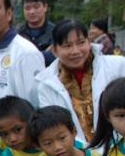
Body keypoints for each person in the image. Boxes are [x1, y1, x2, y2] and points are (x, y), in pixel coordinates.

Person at [37, 19, 125, 147]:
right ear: (54, 51)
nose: (75, 51)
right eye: (67, 46)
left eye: (81, 43)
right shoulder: (46, 85)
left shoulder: (118, 66)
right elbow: (54, 127)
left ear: (89, 42)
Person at [17, 0, 56, 67]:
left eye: (36, 7)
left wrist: (23, 57)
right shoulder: (17, 33)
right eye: (27, 8)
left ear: (45, 7)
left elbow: (54, 56)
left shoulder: (56, 31)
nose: (32, 11)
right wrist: (44, 54)